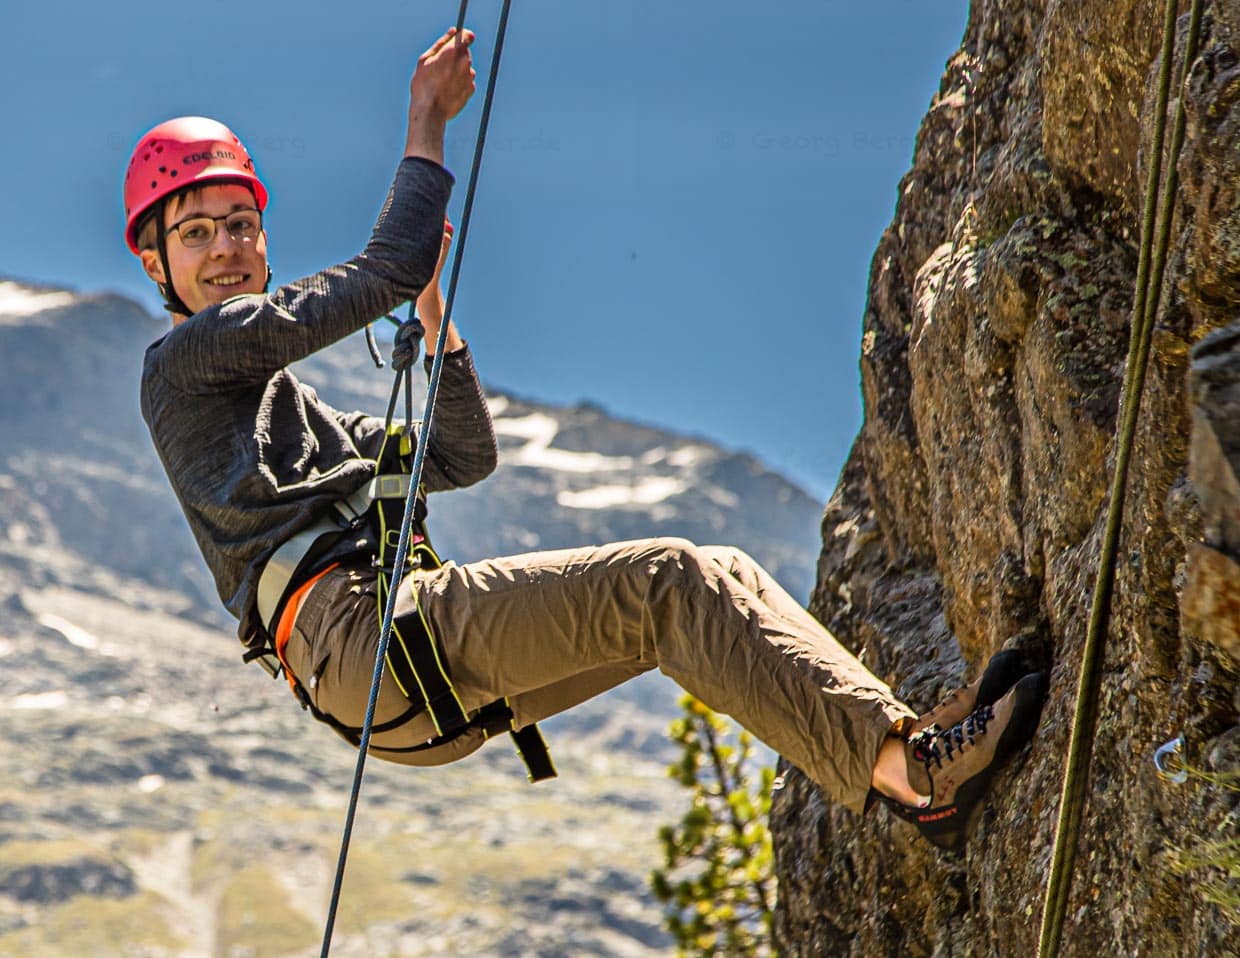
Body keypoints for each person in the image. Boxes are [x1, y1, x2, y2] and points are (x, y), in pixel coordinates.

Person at [125, 26, 1047, 852]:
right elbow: (388, 263)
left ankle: (902, 742)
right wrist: (425, 122)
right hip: (365, 641)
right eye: (197, 233)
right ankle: (916, 780)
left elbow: (458, 456)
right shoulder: (182, 371)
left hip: (387, 658)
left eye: (241, 224)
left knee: (710, 580)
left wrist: (436, 318)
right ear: (153, 261)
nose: (228, 249)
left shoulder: (287, 413)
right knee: (671, 583)